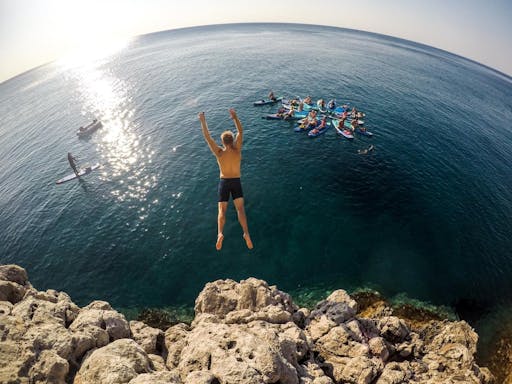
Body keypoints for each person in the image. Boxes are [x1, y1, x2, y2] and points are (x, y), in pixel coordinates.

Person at [199, 109, 253, 251]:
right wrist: (235, 117)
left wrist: (203, 121)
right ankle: (246, 233)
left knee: (221, 211)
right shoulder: (237, 150)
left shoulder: (219, 152)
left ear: (223, 142)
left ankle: (220, 233)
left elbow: (207, 137)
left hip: (224, 182)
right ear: (232, 140)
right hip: (236, 181)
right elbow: (241, 132)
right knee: (240, 210)